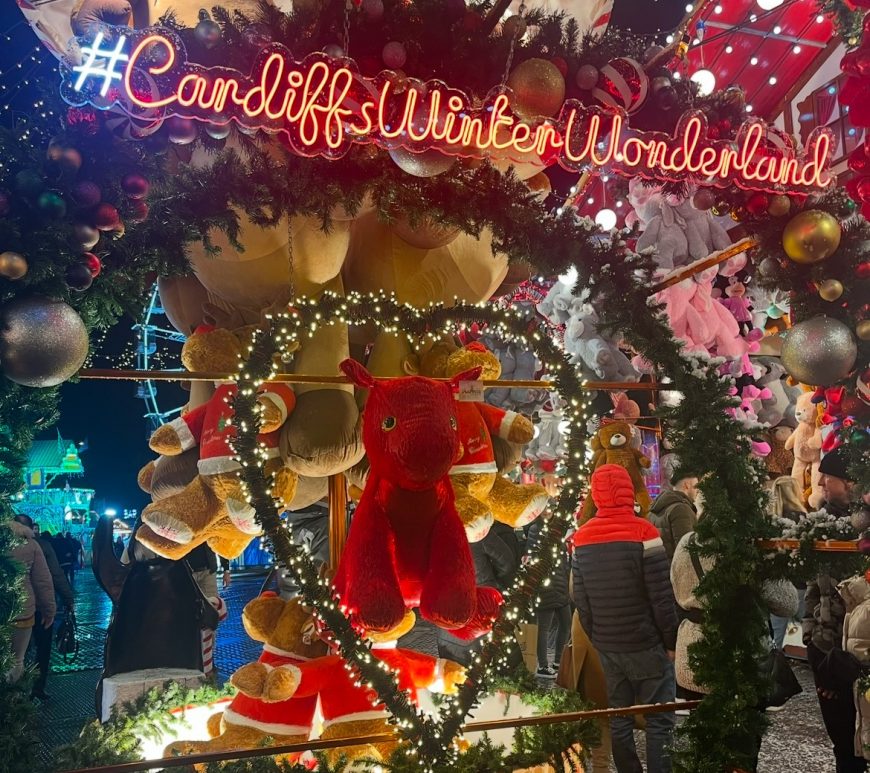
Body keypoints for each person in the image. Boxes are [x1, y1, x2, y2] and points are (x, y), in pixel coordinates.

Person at [572, 464, 678, 773]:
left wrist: (600, 639)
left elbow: (582, 602)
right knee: (660, 717)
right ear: (629, 489)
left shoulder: (581, 538)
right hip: (646, 642)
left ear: (596, 494)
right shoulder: (644, 531)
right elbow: (661, 597)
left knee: (618, 715)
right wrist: (670, 641)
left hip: (608, 644)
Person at [803, 447, 866, 773]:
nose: (823, 483)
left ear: (850, 480)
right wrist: (812, 639)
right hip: (828, 652)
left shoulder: (862, 527)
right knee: (843, 742)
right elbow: (813, 589)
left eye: (830, 477)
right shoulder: (822, 525)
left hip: (863, 655)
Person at [5, 516, 56, 682]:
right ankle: (14, 700)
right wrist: (49, 610)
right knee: (17, 660)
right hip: (21, 611)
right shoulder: (30, 545)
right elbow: (43, 581)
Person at [27, 519, 74, 700]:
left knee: (17, 651)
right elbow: (55, 574)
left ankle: (15, 690)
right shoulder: (42, 546)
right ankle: (38, 686)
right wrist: (68, 598)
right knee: (43, 647)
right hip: (41, 606)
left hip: (15, 608)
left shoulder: (6, 545)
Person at [527, 512, 571, 678]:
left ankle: (558, 661)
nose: (548, 512)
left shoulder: (559, 528)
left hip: (560, 583)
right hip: (545, 586)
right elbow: (532, 556)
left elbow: (563, 558)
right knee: (543, 628)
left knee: (565, 624)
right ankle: (543, 665)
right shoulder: (535, 529)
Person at [766, 475, 807, 650]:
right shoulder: (801, 518)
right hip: (798, 583)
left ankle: (774, 669)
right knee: (806, 624)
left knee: (776, 635)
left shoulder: (769, 520)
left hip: (776, 583)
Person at [648, 471, 699, 563]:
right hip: (676, 572)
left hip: (660, 569)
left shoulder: (656, 508)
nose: (697, 490)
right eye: (696, 486)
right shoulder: (681, 509)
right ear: (687, 485)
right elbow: (686, 550)